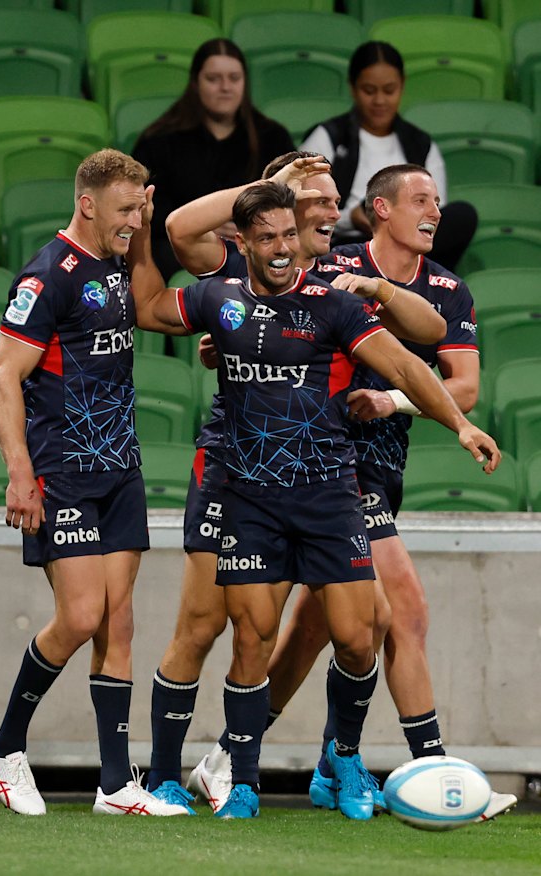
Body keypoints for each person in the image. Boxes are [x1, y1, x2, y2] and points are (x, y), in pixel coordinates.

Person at [128, 179, 500, 820]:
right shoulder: (219, 298)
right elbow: (149, 306)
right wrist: (138, 232)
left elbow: (410, 365)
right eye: (266, 236)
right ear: (242, 241)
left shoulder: (333, 303)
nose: (280, 248)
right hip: (249, 496)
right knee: (251, 635)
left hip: (329, 493)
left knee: (360, 636)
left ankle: (342, 758)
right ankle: (241, 779)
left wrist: (461, 424)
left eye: (288, 236)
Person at [0, 149, 188, 817]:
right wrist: (20, 473)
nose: (134, 219)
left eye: (140, 207)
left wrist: (146, 231)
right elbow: (1, 377)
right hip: (62, 469)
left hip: (120, 467)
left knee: (120, 622)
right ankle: (7, 744)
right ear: (88, 203)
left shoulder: (119, 260)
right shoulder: (48, 276)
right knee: (81, 616)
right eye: (125, 209)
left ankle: (113, 785)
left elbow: (154, 305)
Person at [301, 41, 477, 272]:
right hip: (350, 248)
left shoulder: (421, 145)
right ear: (353, 88)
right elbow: (300, 210)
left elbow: (435, 215)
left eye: (389, 90)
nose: (380, 101)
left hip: (408, 245)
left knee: (462, 215)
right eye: (369, 91)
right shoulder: (328, 137)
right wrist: (351, 218)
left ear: (402, 86)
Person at [132, 38, 294, 282]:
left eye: (234, 78)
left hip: (253, 244)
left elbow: (289, 199)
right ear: (196, 83)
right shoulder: (158, 140)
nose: (225, 87)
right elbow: (143, 207)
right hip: (177, 249)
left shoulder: (273, 138)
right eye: (213, 78)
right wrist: (203, 226)